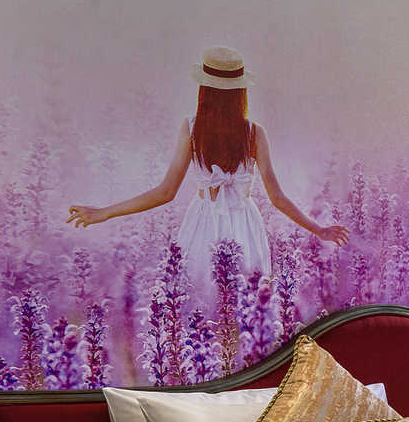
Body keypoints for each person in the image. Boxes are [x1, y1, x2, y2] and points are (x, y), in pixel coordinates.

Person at [66, 47, 348, 272]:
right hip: (245, 225)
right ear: (240, 92)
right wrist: (318, 229)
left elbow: (165, 192)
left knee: (199, 302)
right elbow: (277, 197)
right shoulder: (254, 134)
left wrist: (106, 212)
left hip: (203, 221)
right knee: (243, 304)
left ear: (204, 91)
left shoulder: (192, 129)